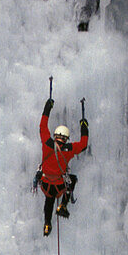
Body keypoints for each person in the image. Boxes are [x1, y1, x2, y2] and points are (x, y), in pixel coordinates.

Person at [38, 96, 89, 236]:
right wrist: (84, 126)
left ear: (55, 135)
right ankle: (63, 205)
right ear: (66, 138)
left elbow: (42, 126)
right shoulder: (70, 148)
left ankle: (47, 224)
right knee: (72, 180)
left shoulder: (47, 143)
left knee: (49, 200)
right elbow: (84, 144)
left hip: (46, 184)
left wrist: (47, 108)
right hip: (60, 185)